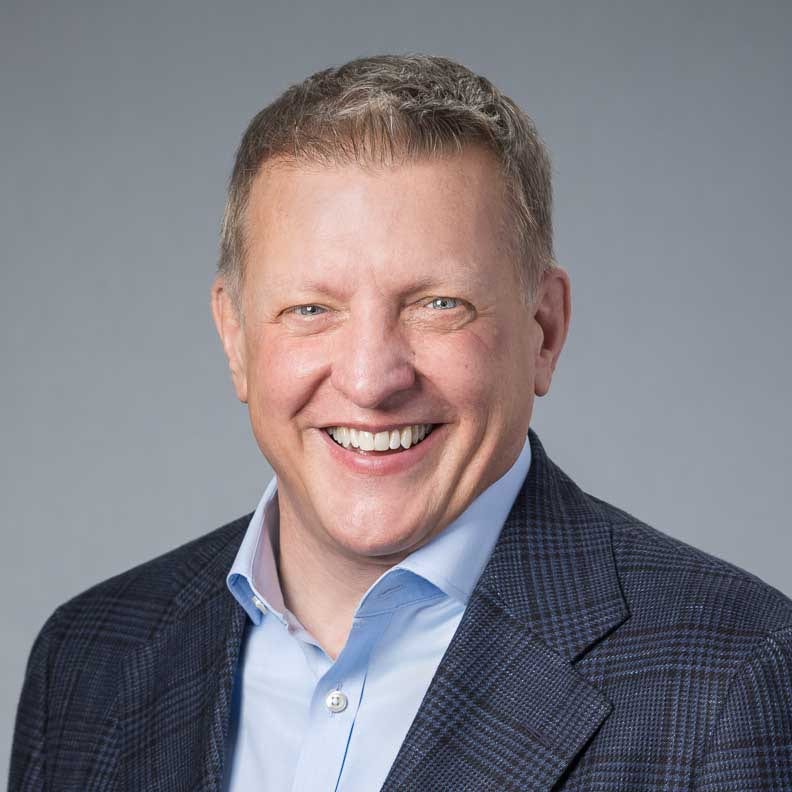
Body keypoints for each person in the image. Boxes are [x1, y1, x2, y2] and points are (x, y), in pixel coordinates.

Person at [9, 54, 792, 792]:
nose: (370, 380)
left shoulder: (737, 672)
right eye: (310, 309)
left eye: (438, 305)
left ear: (544, 331)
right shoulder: (87, 658)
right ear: (236, 337)